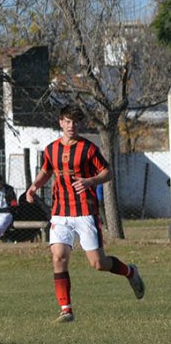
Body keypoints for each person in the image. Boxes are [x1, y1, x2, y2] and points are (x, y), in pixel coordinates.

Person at [24, 105, 144, 323]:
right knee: (59, 257)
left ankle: (130, 272)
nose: (72, 126)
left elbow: (107, 172)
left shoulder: (88, 149)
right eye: (68, 121)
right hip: (60, 212)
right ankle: (66, 309)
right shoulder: (51, 149)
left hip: (85, 211)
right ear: (60, 122)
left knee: (98, 263)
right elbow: (46, 170)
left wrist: (91, 181)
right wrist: (34, 186)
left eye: (76, 122)